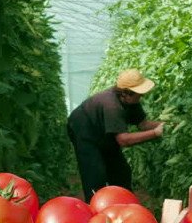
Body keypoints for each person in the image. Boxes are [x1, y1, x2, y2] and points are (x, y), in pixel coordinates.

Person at [67, 68, 164, 200]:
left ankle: (123, 204)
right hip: (84, 129)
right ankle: (95, 206)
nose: (142, 96)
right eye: (139, 93)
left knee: (121, 171)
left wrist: (164, 125)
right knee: (94, 173)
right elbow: (123, 140)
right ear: (126, 93)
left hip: (104, 131)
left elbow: (143, 124)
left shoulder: (131, 101)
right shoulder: (112, 105)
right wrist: (155, 133)